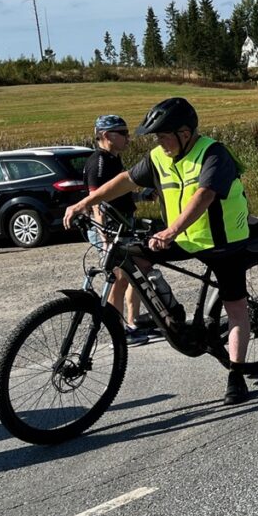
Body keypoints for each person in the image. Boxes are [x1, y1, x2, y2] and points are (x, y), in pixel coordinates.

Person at [64, 97, 254, 406]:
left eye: (164, 136)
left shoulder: (213, 153)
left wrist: (172, 229)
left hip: (223, 241)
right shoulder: (159, 156)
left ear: (185, 133)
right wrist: (87, 202)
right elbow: (126, 180)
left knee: (235, 308)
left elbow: (204, 195)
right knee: (131, 257)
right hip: (183, 237)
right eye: (157, 137)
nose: (160, 143)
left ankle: (237, 374)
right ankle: (173, 314)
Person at [84, 114, 148, 345]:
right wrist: (104, 236)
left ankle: (133, 322)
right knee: (119, 278)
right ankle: (118, 331)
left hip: (122, 223)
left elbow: (119, 193)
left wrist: (142, 195)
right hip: (109, 228)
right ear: (105, 136)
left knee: (132, 275)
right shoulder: (99, 162)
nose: (127, 138)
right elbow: (96, 201)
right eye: (122, 133)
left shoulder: (112, 159)